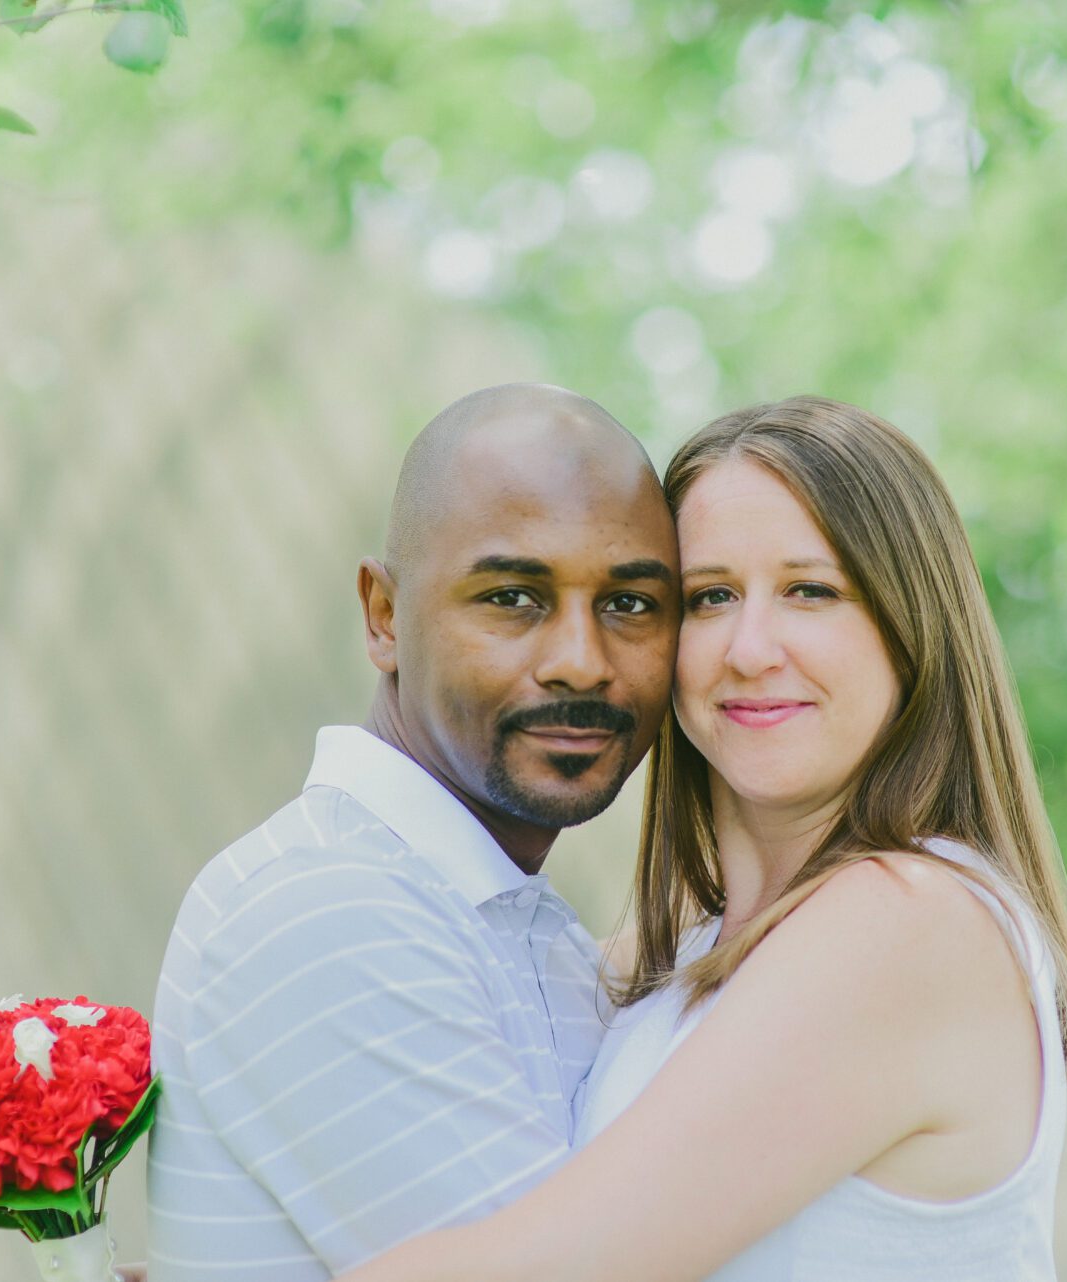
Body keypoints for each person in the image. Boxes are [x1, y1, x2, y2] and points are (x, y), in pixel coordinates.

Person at [337, 395, 1067, 1282]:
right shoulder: (676, 959)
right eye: (710, 598)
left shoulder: (913, 922)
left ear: (912, 625)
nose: (750, 649)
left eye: (811, 591)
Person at [145, 383, 680, 1280]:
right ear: (384, 616)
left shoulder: (518, 925)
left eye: (629, 604)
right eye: (513, 596)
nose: (581, 662)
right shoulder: (326, 909)